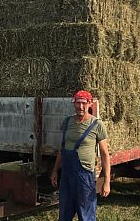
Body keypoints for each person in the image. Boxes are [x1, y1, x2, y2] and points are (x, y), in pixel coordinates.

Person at [50, 90, 111, 221]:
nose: (81, 107)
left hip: (84, 177)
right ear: (74, 104)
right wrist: (55, 170)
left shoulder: (96, 125)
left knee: (86, 215)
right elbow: (62, 149)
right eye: (78, 103)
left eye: (84, 103)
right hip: (66, 176)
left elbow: (105, 155)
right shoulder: (67, 122)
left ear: (90, 104)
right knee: (64, 213)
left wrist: (107, 181)